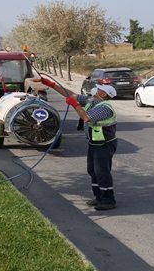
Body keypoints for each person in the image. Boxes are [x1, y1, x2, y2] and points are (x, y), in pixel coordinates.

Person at [41, 77, 118, 211]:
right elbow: (71, 94)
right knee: (92, 170)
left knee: (102, 171)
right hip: (94, 142)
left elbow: (86, 118)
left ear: (104, 94)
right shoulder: (92, 101)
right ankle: (98, 196)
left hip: (104, 144)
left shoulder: (105, 108)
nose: (96, 90)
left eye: (99, 89)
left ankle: (108, 200)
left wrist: (75, 105)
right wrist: (52, 85)